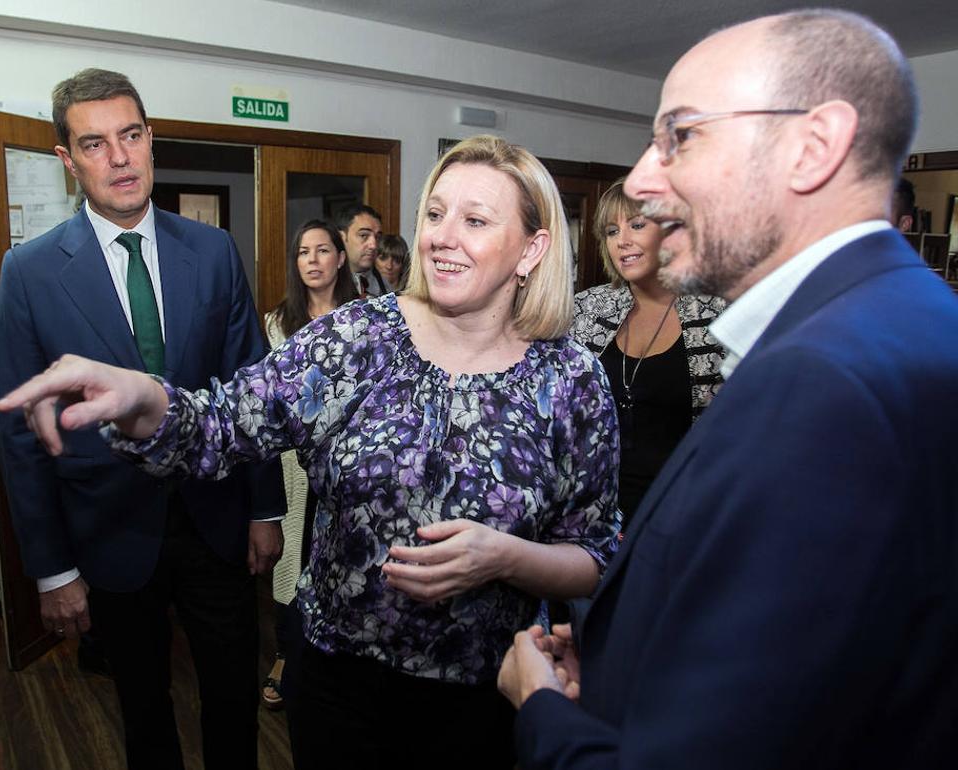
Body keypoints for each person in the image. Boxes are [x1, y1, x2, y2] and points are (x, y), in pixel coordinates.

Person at [0, 134, 621, 770]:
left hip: (489, 696)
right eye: (434, 214)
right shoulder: (354, 340)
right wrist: (142, 397)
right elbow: (221, 425)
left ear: (532, 248)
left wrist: (506, 558)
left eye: (476, 220)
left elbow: (595, 555)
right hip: (340, 690)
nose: (441, 237)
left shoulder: (571, 382)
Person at [498, 10, 958, 769]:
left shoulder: (826, 386)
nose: (644, 183)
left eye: (681, 135)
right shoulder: (898, 322)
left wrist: (542, 710)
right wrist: (623, 665)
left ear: (813, 147)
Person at [0, 67, 284, 770]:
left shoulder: (211, 251)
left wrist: (265, 507)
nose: (119, 158)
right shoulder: (29, 272)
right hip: (110, 529)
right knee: (143, 708)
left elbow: (254, 386)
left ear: (151, 139)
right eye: (95, 145)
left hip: (215, 518)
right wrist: (52, 570)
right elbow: (21, 433)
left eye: (131, 136)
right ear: (68, 161)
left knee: (232, 697)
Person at [570, 180, 724, 524]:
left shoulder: (717, 311)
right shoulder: (586, 310)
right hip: (591, 517)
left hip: (684, 516)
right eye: (611, 231)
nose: (621, 241)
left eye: (636, 225)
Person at [260, 220, 358, 709]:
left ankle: (339, 656)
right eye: (304, 252)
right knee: (292, 557)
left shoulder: (366, 318)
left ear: (341, 258)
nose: (313, 260)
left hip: (351, 461)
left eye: (323, 250)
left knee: (342, 553)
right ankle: (285, 653)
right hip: (295, 464)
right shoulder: (277, 323)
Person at [336, 203, 388, 297]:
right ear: (341, 237)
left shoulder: (385, 286)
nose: (374, 245)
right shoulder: (325, 286)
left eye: (377, 237)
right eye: (363, 235)